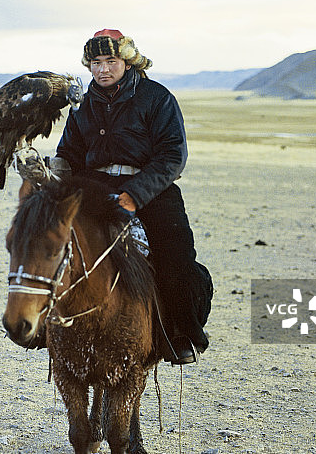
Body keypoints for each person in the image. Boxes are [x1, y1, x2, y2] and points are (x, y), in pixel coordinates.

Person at [55, 29, 212, 365]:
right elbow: (69, 152)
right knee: (49, 241)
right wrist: (55, 173)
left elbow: (172, 155)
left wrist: (135, 195)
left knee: (176, 256)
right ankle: (44, 326)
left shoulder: (156, 97)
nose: (102, 70)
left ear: (127, 61)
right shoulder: (81, 103)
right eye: (95, 62)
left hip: (150, 187)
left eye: (110, 61)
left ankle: (178, 334)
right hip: (93, 185)